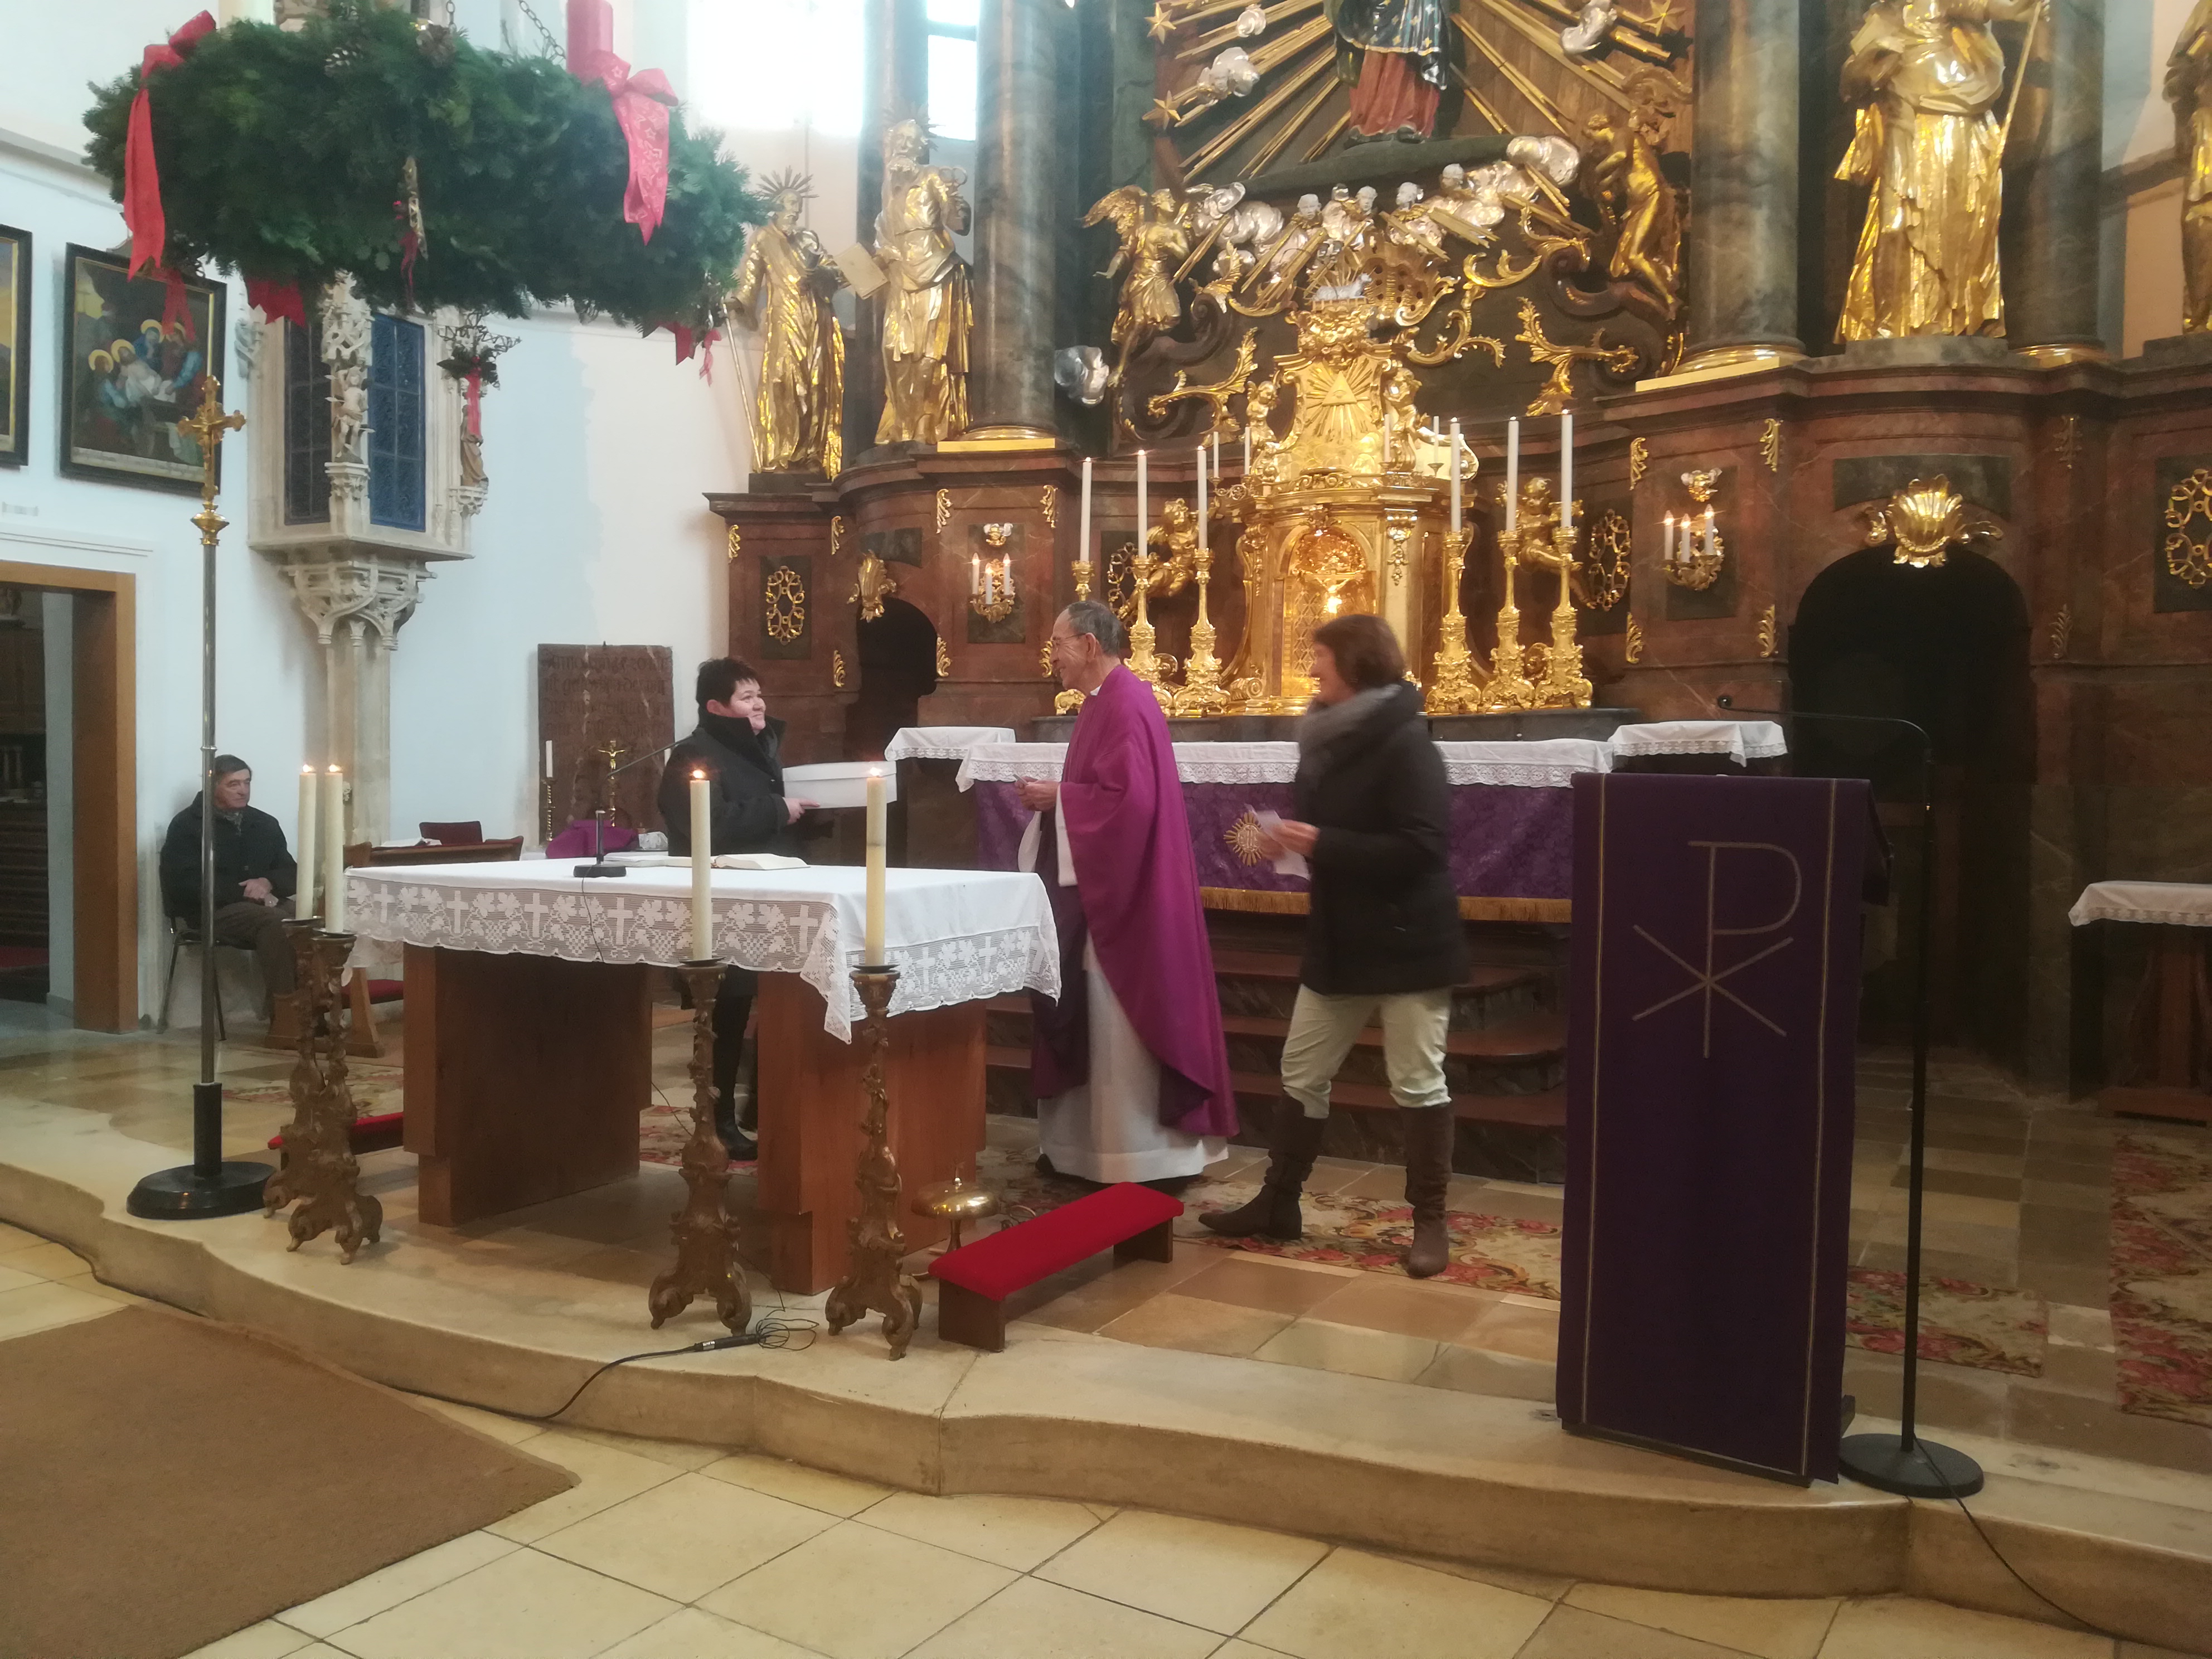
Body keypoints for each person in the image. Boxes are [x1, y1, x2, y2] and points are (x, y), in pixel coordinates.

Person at [1202, 613, 1468, 1277]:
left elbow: (1424, 847)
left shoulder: (1405, 742)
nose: (1311, 668)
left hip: (1407, 940)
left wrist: (1323, 843)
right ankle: (1278, 1203)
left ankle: (1429, 1221)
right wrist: (1289, 846)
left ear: (1355, 663)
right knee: (1301, 1072)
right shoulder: (1324, 737)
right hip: (1339, 937)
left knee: (1416, 1081)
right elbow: (1332, 833)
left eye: (1319, 657)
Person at [1023, 600, 1236, 1188]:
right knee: (1095, 1018)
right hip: (1104, 890)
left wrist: (1060, 798)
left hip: (1129, 899)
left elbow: (1131, 804)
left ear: (1090, 645)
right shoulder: (1102, 702)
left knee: (1119, 1019)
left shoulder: (1126, 703)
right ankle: (1085, 1149)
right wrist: (1062, 796)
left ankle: (1143, 1157)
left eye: (1058, 643)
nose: (1052, 656)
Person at [657, 658, 819, 1158]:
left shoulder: (758, 746)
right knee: (725, 1014)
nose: (760, 704)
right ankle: (717, 1119)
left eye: (759, 695)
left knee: (776, 1003)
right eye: (747, 697)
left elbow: (760, 819)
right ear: (716, 706)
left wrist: (802, 817)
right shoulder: (693, 756)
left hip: (766, 897)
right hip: (720, 904)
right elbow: (710, 825)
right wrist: (778, 809)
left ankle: (760, 1109)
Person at [158, 755, 299, 1017]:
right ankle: (287, 1015)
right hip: (213, 910)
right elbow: (184, 884)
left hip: (266, 904)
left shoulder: (264, 823)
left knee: (309, 918)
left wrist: (267, 882)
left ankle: (313, 1006)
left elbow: (291, 871)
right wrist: (247, 893)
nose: (243, 790)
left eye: (247, 782)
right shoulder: (188, 825)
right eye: (233, 784)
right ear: (212, 785)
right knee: (277, 923)